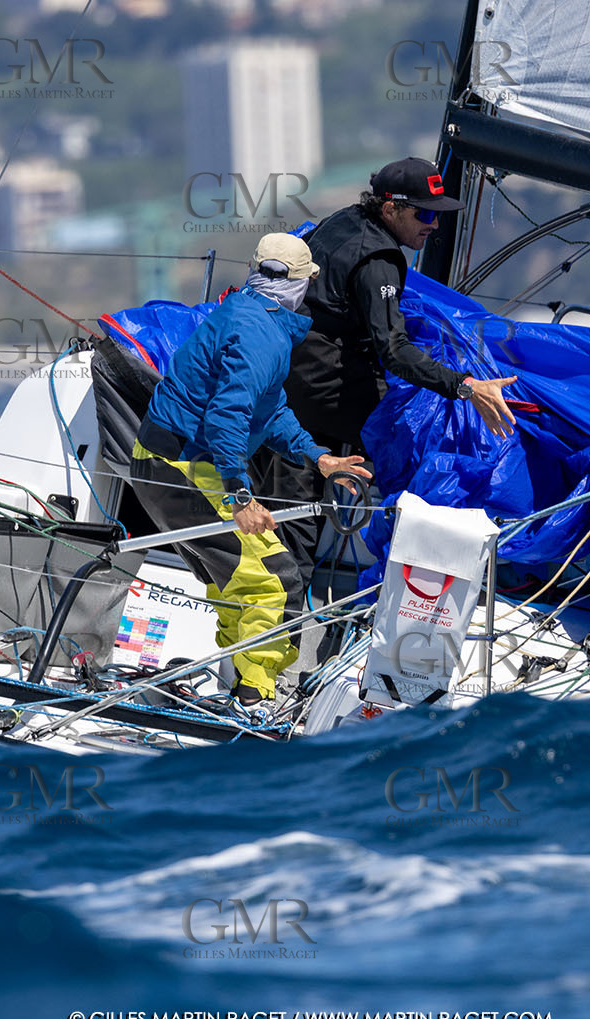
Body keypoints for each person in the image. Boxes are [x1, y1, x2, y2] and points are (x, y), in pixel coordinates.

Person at [130, 232, 371, 706]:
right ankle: (255, 699)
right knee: (275, 580)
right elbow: (226, 416)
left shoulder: (248, 315)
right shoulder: (261, 333)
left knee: (239, 583)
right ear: (300, 286)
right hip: (181, 469)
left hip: (167, 464)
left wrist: (317, 456)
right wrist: (242, 496)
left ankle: (242, 686)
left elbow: (270, 408)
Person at [259, 157, 517, 589]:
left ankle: (288, 605)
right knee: (418, 451)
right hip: (325, 388)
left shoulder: (344, 220)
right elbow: (394, 351)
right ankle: (411, 581)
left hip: (287, 374)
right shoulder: (380, 259)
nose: (433, 225)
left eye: (439, 214)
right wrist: (465, 386)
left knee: (292, 508)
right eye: (425, 213)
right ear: (390, 209)